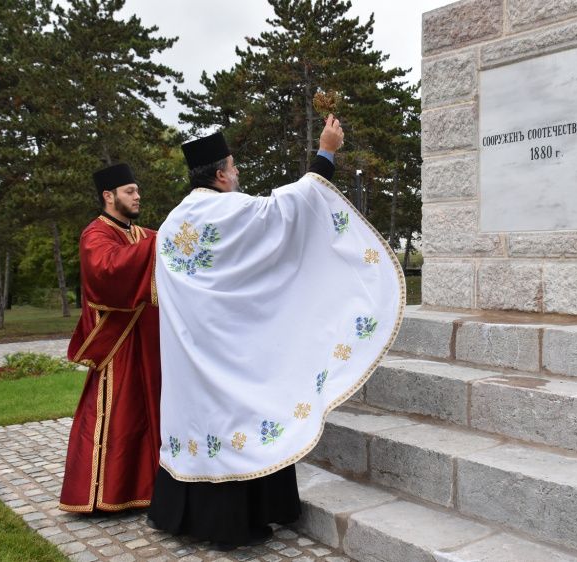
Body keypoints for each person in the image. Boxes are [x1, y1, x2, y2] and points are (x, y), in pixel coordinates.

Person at [149, 115, 405, 549]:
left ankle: (186, 515)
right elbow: (290, 211)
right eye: (233, 166)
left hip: (193, 352)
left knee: (204, 424)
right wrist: (325, 152)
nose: (238, 173)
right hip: (230, 351)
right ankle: (247, 516)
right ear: (219, 174)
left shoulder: (173, 224)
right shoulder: (230, 210)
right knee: (241, 417)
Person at [58, 163, 162, 513]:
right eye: (130, 191)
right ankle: (106, 494)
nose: (137, 196)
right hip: (118, 345)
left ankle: (149, 487)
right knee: (119, 412)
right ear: (109, 196)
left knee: (149, 412)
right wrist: (161, 243)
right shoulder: (95, 234)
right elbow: (106, 272)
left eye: (137, 190)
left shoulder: (142, 235)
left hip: (148, 344)